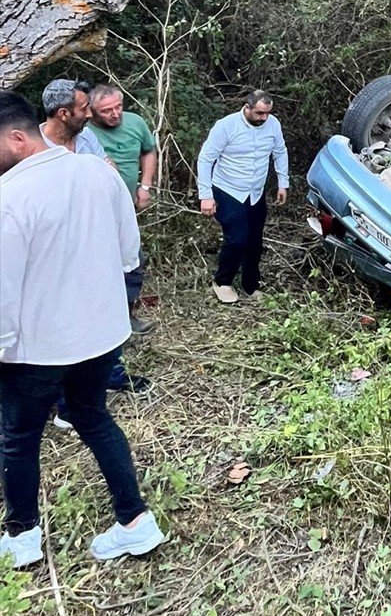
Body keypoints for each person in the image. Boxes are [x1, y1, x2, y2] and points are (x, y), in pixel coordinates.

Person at [0, 92, 164, 568]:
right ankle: (135, 522)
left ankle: (23, 536)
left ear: (15, 137)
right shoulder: (97, 171)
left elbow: (4, 289)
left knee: (20, 436)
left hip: (35, 349)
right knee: (93, 417)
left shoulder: (10, 196)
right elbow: (127, 249)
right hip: (100, 336)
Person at [197, 89, 289, 304]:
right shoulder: (226, 126)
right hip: (228, 188)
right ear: (247, 108)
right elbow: (205, 159)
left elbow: (280, 151)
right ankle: (222, 282)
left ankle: (251, 284)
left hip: (255, 192)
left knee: (254, 240)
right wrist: (206, 195)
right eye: (259, 113)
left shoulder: (273, 124)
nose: (263, 118)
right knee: (237, 238)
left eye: (267, 113)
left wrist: (283, 183)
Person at [89, 83, 158, 335]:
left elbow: (149, 151)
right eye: (107, 110)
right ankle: (98, 320)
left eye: (118, 107)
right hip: (95, 212)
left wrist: (145, 186)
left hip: (126, 208)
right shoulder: (84, 132)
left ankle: (127, 317)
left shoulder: (135, 122)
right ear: (92, 112)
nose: (115, 114)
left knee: (132, 259)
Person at [40, 78, 106, 158]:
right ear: (63, 114)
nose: (90, 114)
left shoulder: (86, 134)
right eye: (84, 109)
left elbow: (108, 165)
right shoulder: (36, 147)